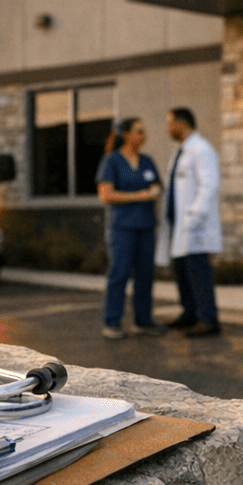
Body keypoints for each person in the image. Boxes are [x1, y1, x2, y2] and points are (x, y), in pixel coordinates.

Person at [95, 117, 165, 340]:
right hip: (122, 227)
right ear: (126, 134)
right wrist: (140, 195)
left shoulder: (147, 161)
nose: (144, 136)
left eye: (144, 132)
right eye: (139, 132)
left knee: (145, 274)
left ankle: (143, 320)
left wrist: (152, 192)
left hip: (146, 226)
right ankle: (112, 321)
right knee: (120, 272)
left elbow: (156, 187)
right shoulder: (112, 161)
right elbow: (106, 194)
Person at [163, 108, 222, 336]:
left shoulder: (201, 149)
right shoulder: (182, 151)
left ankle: (208, 319)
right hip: (180, 227)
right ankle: (190, 314)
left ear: (181, 123)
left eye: (170, 123)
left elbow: (210, 185)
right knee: (183, 273)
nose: (168, 128)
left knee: (198, 274)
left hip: (194, 226)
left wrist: (194, 215)